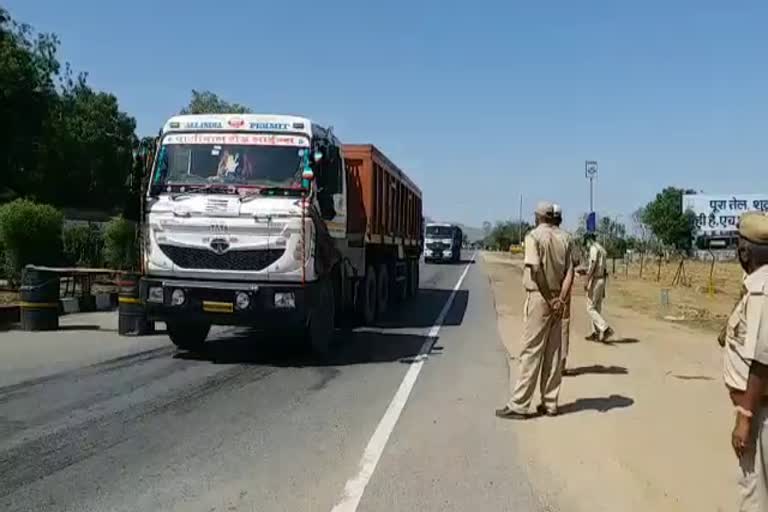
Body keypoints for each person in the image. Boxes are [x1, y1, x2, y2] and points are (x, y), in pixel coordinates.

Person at [496, 201, 575, 418]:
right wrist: (560, 299)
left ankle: (519, 404)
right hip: (560, 299)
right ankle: (550, 403)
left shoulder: (533, 237)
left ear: (539, 216)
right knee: (554, 352)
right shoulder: (566, 238)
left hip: (541, 297)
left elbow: (536, 269)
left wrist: (549, 299)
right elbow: (570, 272)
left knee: (531, 351)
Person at [722, 212, 768, 512]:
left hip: (761, 414)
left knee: (754, 496)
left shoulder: (763, 292)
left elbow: (763, 362)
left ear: (743, 251)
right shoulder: (756, 284)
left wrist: (746, 415)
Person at [552, 204, 578, 376]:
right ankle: (560, 364)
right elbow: (574, 264)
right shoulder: (567, 238)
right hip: (563, 289)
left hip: (543, 290)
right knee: (563, 326)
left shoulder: (538, 236)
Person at [584, 232, 613, 343]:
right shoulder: (602, 249)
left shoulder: (593, 248)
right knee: (597, 308)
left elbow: (593, 264)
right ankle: (595, 332)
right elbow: (605, 269)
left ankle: (605, 328)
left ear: (589, 240)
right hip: (602, 279)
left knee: (590, 307)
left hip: (595, 279)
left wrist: (587, 280)